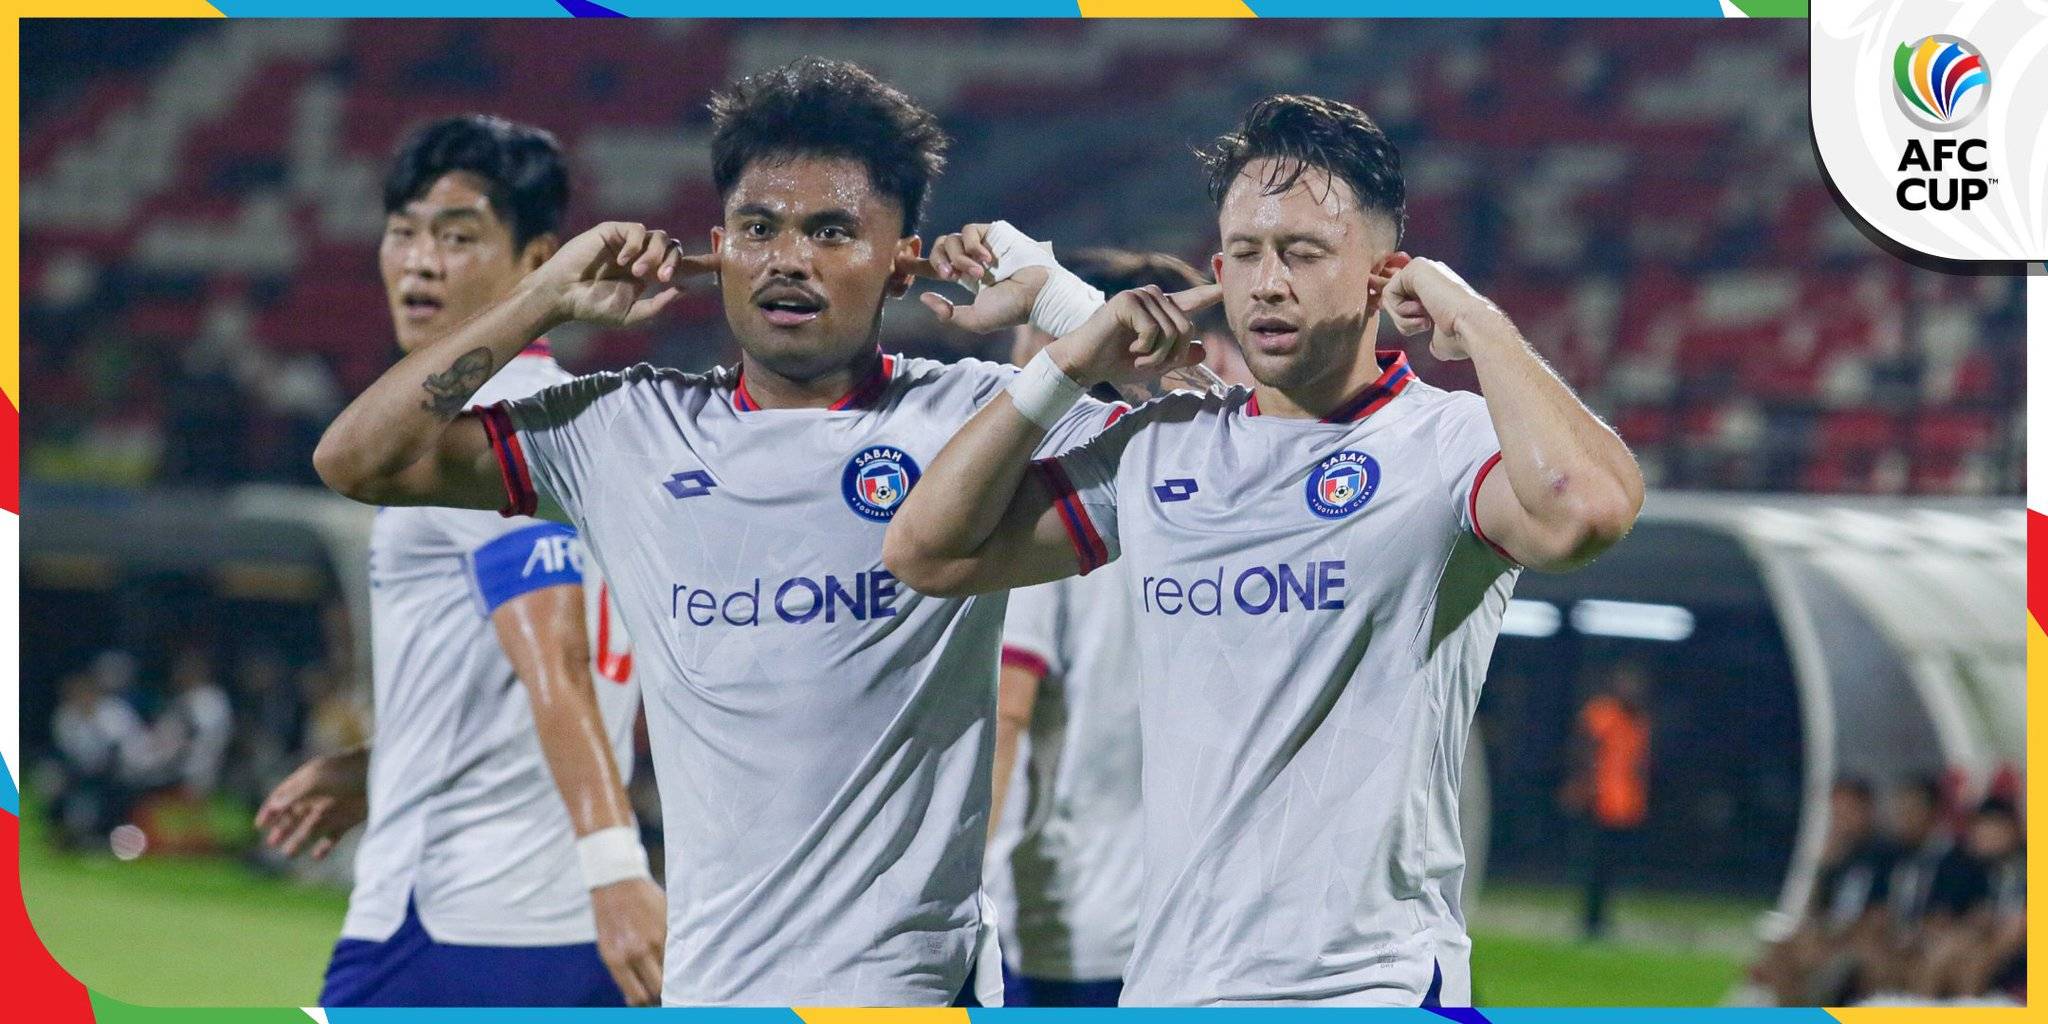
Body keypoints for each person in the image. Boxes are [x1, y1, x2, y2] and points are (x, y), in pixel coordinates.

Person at [307, 58, 1125, 1006]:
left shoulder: (978, 416)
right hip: (707, 987)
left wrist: (1062, 303)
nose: (789, 258)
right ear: (718, 249)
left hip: (908, 989)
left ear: (904, 258)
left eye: (832, 232)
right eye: (758, 228)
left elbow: (1236, 441)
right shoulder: (624, 428)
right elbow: (355, 462)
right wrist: (543, 297)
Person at [884, 93, 1644, 1006]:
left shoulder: (1443, 446)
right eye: (1246, 253)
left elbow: (1588, 512)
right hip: (1169, 986)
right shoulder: (1165, 445)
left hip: (1371, 987)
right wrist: (1070, 357)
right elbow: (926, 549)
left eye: (1303, 253)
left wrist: (1474, 322)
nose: (1267, 281)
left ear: (1382, 277)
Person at [254, 115, 659, 1007]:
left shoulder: (486, 434)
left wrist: (617, 864)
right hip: (549, 919)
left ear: (540, 259)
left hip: (454, 918)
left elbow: (553, 657)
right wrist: (381, 764)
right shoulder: (583, 417)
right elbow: (523, 682)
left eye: (459, 235)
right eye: (404, 231)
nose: (420, 261)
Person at [987, 249, 1247, 1008]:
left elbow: (1007, 710)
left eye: (1028, 341)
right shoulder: (1216, 495)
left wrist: (960, 888)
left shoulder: (1053, 496)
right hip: (1211, 918)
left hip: (1071, 918)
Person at [1560, 661, 1652, 940]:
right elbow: (1581, 751)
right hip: (1597, 803)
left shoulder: (1639, 722)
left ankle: (1600, 920)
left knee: (1611, 868)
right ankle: (1589, 921)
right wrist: (1581, 787)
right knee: (1593, 866)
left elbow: (1640, 764)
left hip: (1624, 807)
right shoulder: (1600, 713)